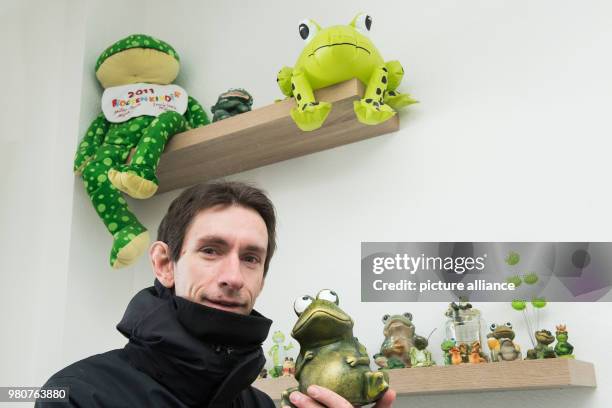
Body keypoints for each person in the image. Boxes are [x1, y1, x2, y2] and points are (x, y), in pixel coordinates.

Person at [37, 181, 396, 408]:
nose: (233, 277)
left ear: (263, 279)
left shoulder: (262, 404)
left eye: (251, 258)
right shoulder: (77, 395)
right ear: (165, 264)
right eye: (211, 250)